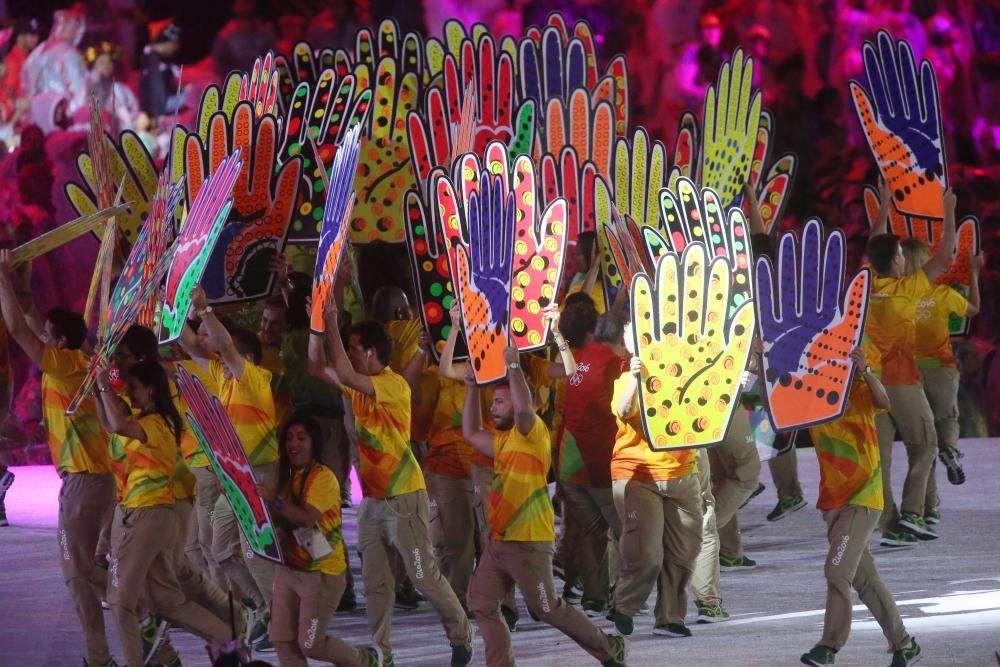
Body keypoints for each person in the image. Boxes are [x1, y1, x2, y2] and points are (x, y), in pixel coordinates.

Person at [308, 303, 474, 666]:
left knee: (422, 576)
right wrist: (318, 326)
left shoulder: (393, 385)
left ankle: (461, 633)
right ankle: (382, 652)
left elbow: (347, 376)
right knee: (376, 584)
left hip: (404, 500)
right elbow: (315, 366)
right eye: (348, 348)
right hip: (372, 503)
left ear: (370, 353)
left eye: (352, 349)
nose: (348, 355)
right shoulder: (358, 389)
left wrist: (332, 322)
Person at [463, 347, 627, 667]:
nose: (493, 408)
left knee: (546, 607)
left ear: (518, 399)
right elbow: (470, 432)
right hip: (499, 543)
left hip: (529, 544)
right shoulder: (504, 441)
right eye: (492, 402)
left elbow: (524, 410)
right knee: (481, 603)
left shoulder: (532, 431)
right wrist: (471, 389)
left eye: (499, 401)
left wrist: (512, 364)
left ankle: (608, 647)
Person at [0, 249, 115, 667]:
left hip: (86, 481)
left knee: (76, 572)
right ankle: (147, 601)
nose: (41, 339)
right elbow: (28, 320)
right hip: (87, 481)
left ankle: (107, 649)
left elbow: (17, 329)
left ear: (60, 342)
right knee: (81, 570)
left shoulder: (66, 364)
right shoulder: (71, 360)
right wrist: (22, 285)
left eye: (48, 336)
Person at [94, 358, 232, 667]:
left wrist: (104, 383)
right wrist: (96, 386)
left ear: (152, 390)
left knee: (120, 601)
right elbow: (109, 424)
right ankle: (225, 635)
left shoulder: (156, 423)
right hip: (148, 516)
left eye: (134, 388)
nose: (128, 391)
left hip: (148, 515)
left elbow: (117, 424)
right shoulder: (146, 420)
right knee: (164, 599)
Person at [800, 345, 922, 667]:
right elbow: (777, 417)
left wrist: (865, 370)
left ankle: (828, 647)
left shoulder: (857, 388)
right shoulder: (808, 396)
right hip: (832, 504)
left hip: (863, 498)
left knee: (836, 571)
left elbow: (885, 402)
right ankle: (903, 644)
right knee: (865, 580)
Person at [184, 286, 279, 652]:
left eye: (226, 353)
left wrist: (205, 308)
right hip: (228, 477)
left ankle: (276, 614)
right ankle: (261, 606)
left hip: (257, 475)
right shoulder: (222, 378)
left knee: (254, 551)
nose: (217, 357)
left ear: (247, 356)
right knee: (218, 550)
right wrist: (173, 307)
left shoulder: (253, 377)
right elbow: (192, 344)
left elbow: (220, 347)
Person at [867, 188, 958, 546]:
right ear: (897, 260)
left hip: (870, 383)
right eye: (902, 254)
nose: (905, 259)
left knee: (883, 460)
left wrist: (885, 204)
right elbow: (946, 256)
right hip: (902, 381)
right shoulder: (908, 290)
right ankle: (912, 514)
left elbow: (876, 243)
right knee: (925, 446)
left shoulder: (867, 283)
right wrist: (949, 210)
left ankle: (889, 526)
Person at [257, 413, 383, 666]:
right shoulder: (285, 476)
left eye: (301, 438)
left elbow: (305, 518)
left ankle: (365, 660)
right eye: (290, 438)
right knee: (281, 638)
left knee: (310, 642)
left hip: (322, 574)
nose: (294, 443)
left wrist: (273, 499)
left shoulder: (324, 477)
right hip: (289, 569)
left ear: (314, 443)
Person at [605, 326, 703, 639]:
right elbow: (623, 409)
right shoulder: (625, 377)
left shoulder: (690, 372)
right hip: (639, 474)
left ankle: (670, 617)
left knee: (684, 552)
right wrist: (635, 377)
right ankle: (623, 604)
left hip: (681, 473)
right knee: (646, 555)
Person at [552, 308, 625, 617]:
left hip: (568, 460)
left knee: (589, 531)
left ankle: (594, 597)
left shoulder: (569, 360)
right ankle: (626, 598)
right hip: (599, 462)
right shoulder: (616, 364)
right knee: (624, 531)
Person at [900, 239, 982, 509]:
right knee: (947, 418)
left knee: (923, 439)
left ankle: (928, 505)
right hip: (943, 368)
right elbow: (973, 309)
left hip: (909, 374)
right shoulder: (943, 294)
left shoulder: (897, 295)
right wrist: (973, 274)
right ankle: (950, 447)